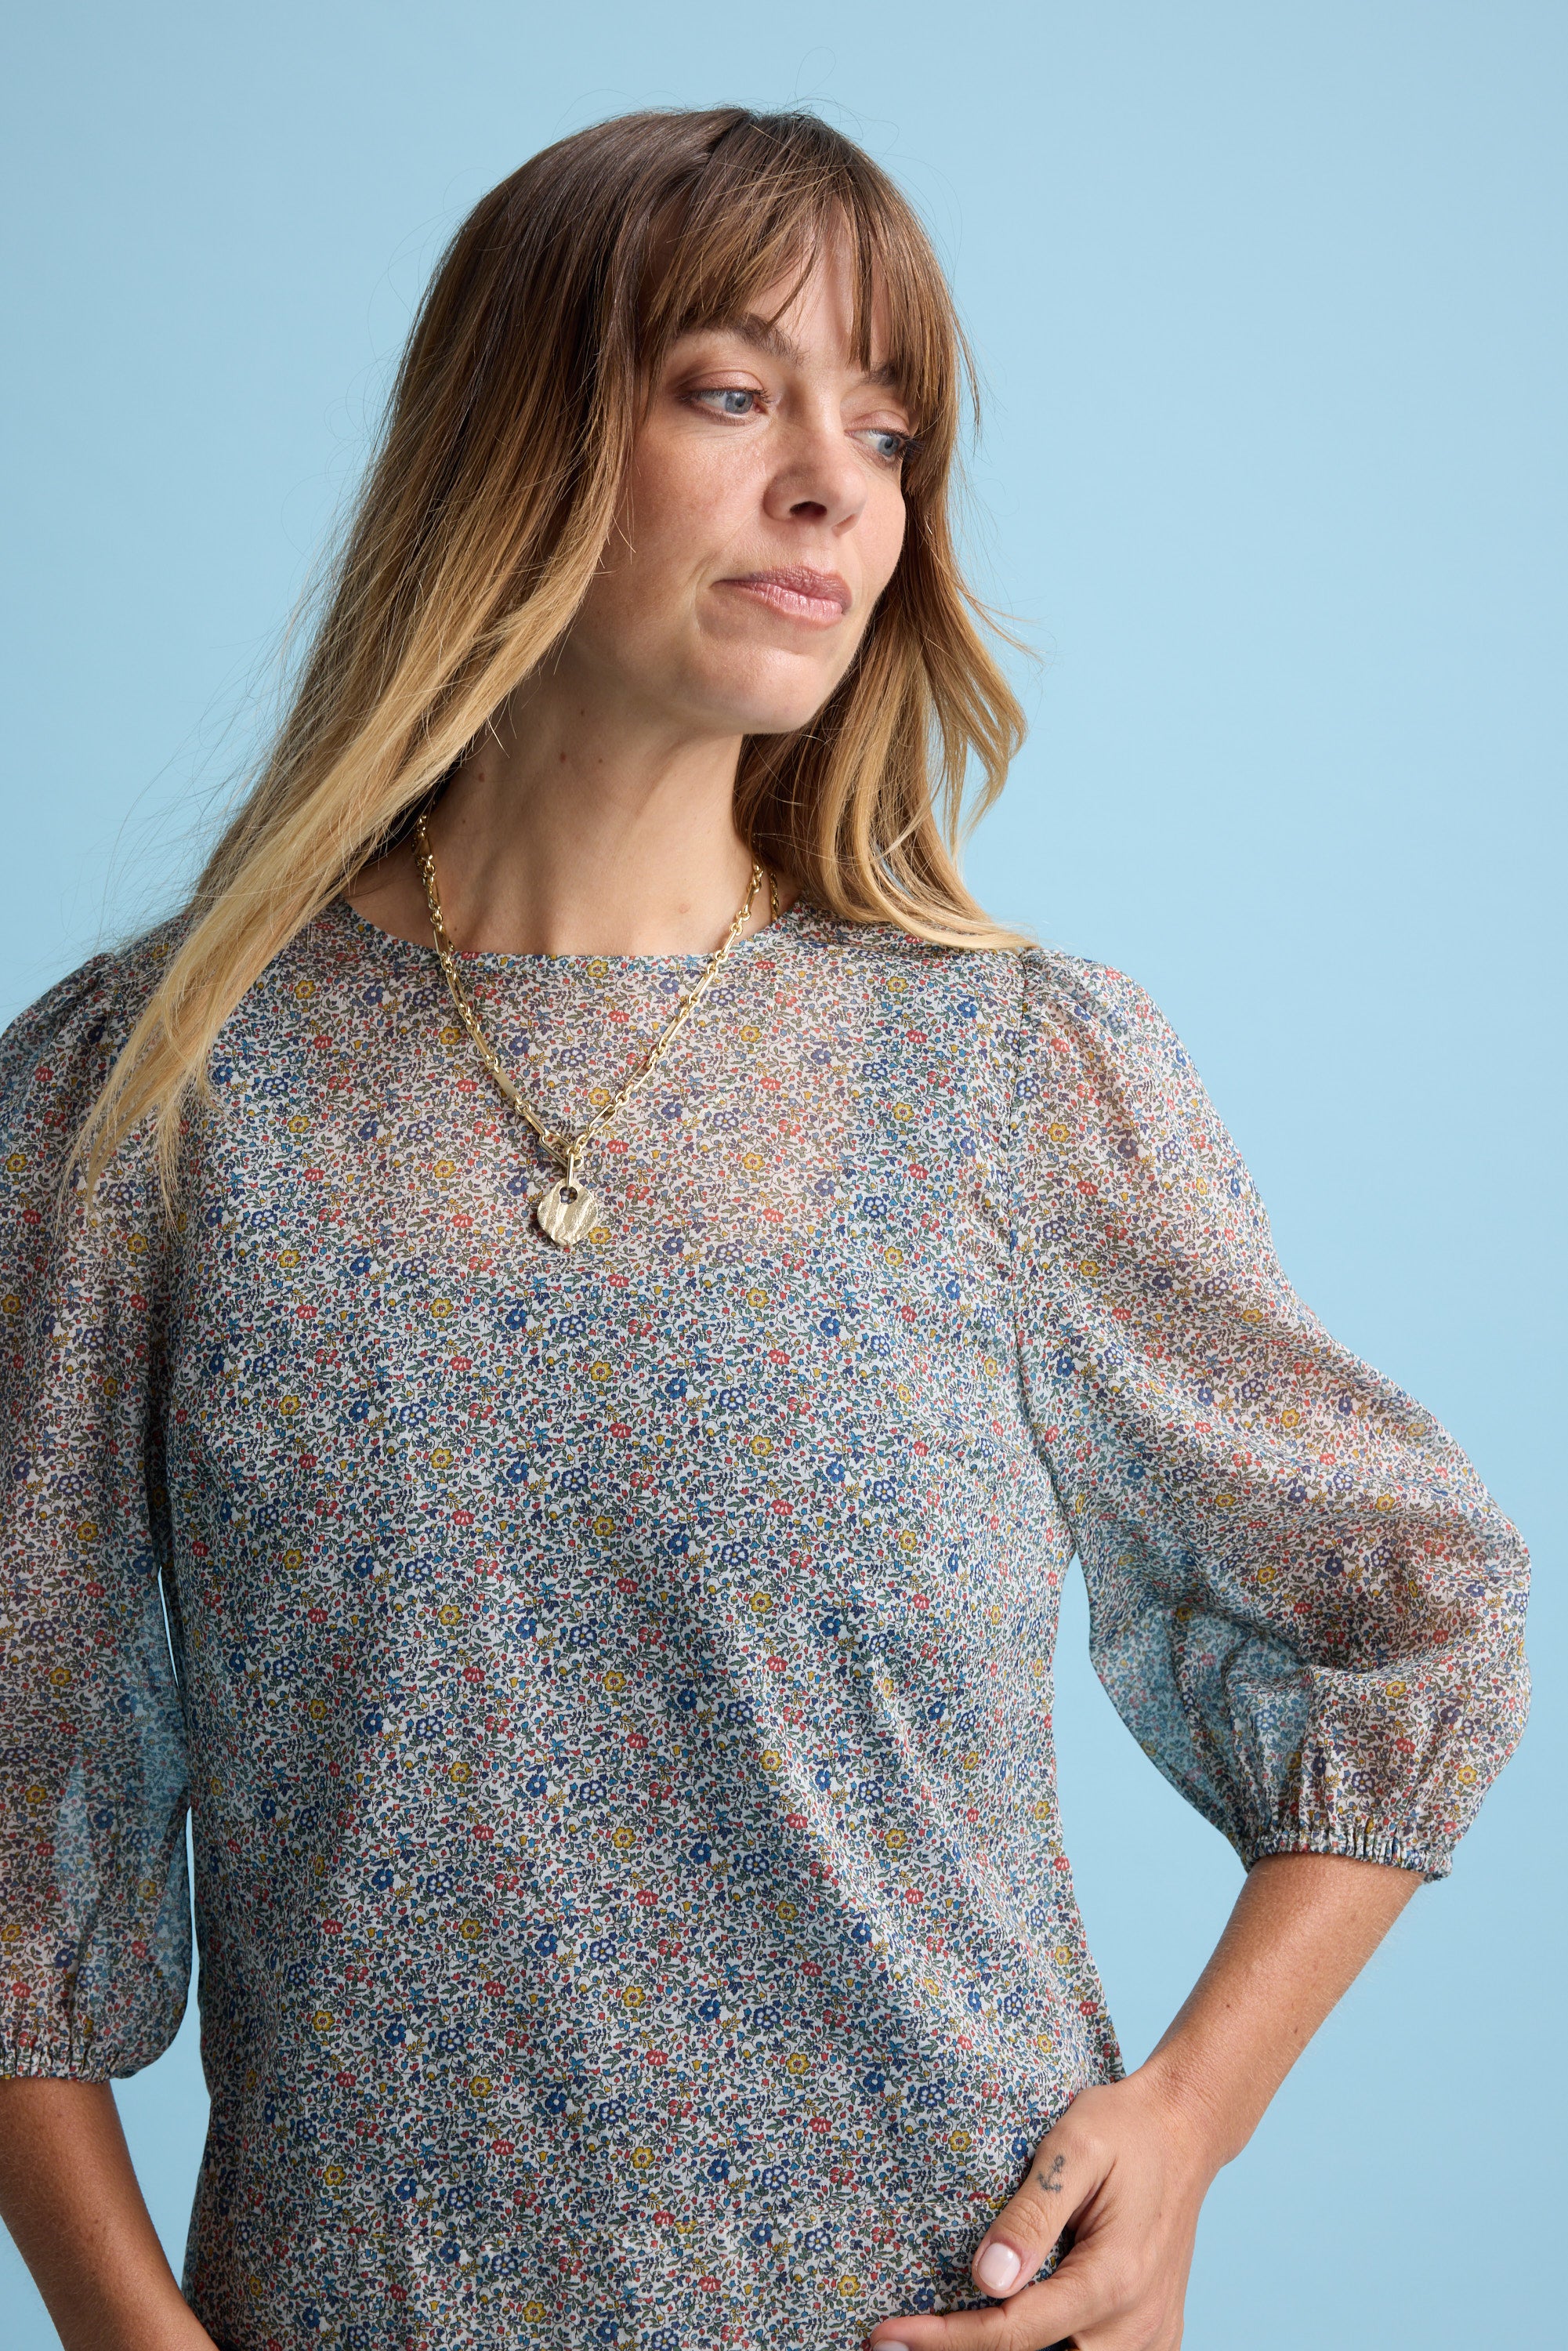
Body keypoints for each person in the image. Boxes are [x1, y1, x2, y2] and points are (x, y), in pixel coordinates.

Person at [0, 106, 1529, 2351]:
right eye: (734, 392)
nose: (837, 484)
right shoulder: (151, 1089)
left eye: (887, 427)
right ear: (512, 440)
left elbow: (1415, 1615)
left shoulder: (1012, 1071)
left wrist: (1189, 2118)